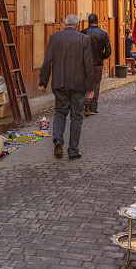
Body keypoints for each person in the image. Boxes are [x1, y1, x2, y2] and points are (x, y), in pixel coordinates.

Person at [38, 14, 94, 160]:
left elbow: (47, 60)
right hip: (78, 84)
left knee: (60, 112)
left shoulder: (54, 38)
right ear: (77, 25)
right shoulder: (83, 39)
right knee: (76, 117)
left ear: (65, 24)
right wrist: (90, 87)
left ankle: (57, 139)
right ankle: (73, 150)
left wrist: (43, 82)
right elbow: (88, 64)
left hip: (59, 83)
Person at [81, 13, 111, 115]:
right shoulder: (103, 33)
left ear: (88, 21)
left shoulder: (83, 33)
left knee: (85, 83)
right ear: (97, 21)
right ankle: (93, 108)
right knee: (96, 85)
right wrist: (102, 57)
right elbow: (108, 51)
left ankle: (86, 102)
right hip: (98, 62)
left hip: (85, 63)